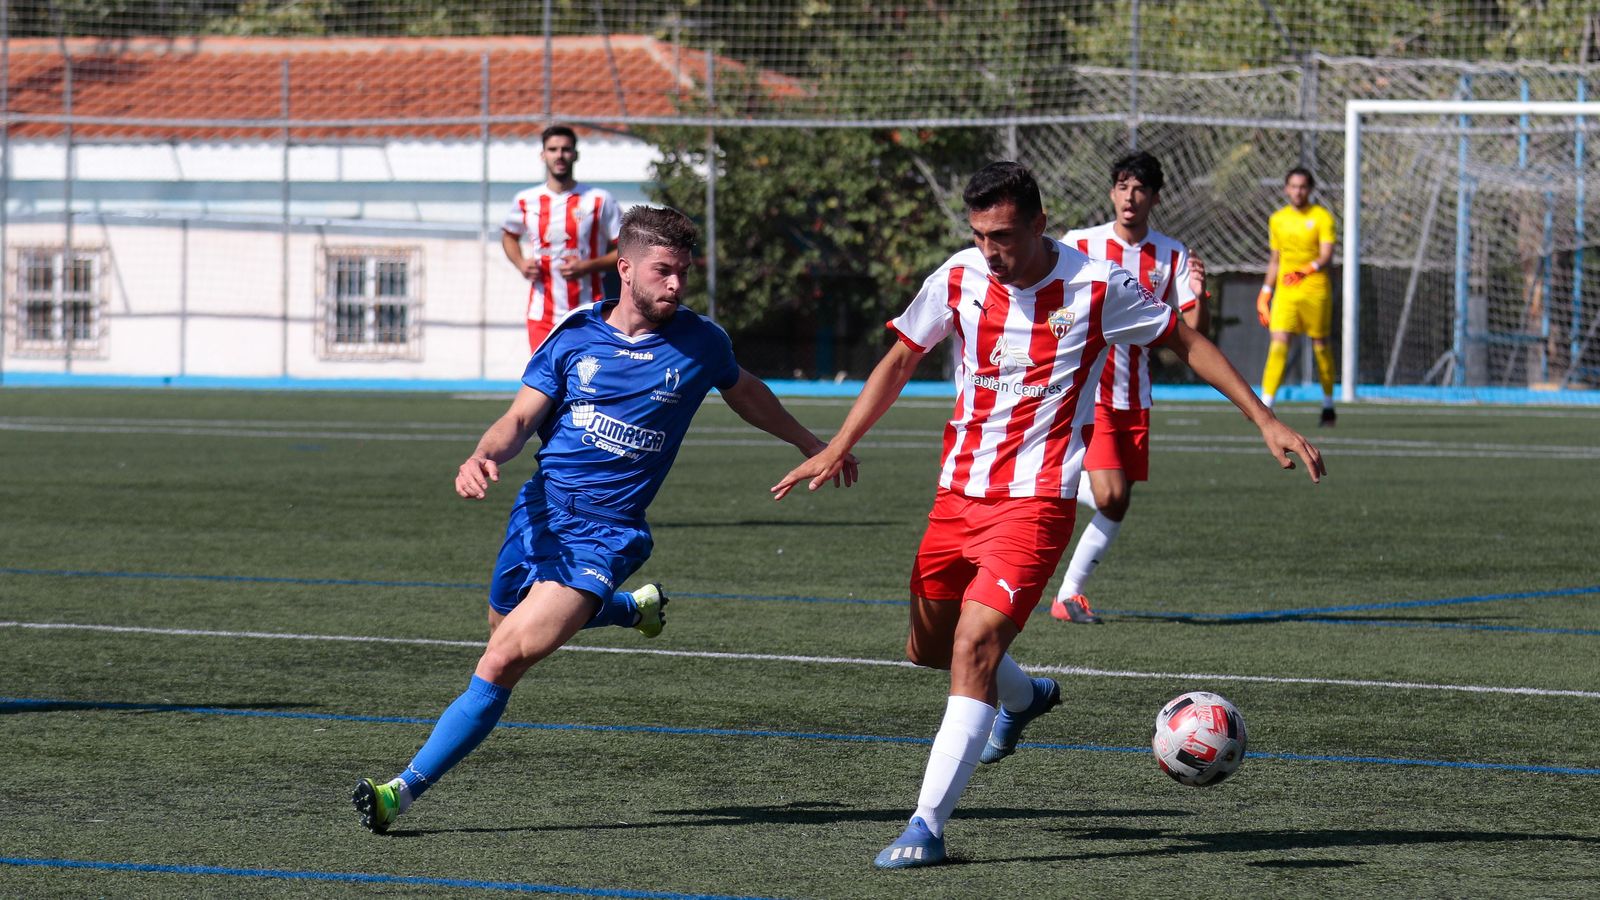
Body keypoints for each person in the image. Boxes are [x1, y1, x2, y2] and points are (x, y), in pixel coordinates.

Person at [772, 162, 1324, 869]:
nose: (990, 251)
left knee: (973, 648)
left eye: (1002, 236)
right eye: (978, 235)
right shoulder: (960, 276)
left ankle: (926, 826)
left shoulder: (1096, 285)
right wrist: (838, 444)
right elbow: (901, 359)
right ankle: (1025, 696)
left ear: (1038, 223)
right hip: (957, 495)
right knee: (929, 650)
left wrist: (1265, 421)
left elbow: (1185, 342)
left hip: (1037, 502)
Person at [353, 205, 855, 834]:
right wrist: (483, 454)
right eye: (663, 271)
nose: (676, 285)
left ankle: (401, 789)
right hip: (540, 512)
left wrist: (815, 444)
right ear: (625, 269)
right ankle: (628, 610)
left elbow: (744, 389)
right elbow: (518, 420)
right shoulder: (573, 336)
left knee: (503, 658)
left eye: (683, 273)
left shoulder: (702, 341)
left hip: (608, 530)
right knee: (501, 624)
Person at [1051, 151, 1210, 625]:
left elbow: (1189, 331)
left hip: (1134, 398)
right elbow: (1049, 295)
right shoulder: (1079, 243)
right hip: (1089, 394)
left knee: (1117, 501)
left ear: (1154, 197)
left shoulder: (1173, 254)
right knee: (1109, 493)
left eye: (1139, 188)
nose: (1130, 196)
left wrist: (1198, 291)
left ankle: (1068, 596)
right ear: (1111, 193)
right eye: (1122, 186)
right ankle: (1048, 489)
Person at [502, 124, 622, 354]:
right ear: (543, 155)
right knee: (545, 385)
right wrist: (521, 263)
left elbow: (626, 249)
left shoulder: (599, 200)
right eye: (553, 149)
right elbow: (509, 236)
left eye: (566, 149)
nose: (559, 155)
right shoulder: (526, 200)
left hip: (589, 311)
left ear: (575, 155)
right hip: (542, 314)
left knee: (587, 384)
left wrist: (588, 266)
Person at [1258, 166, 1338, 426]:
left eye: (1302, 186)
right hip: (1287, 293)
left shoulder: (1322, 217)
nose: (1298, 191)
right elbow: (1275, 261)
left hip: (1316, 291)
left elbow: (1326, 255)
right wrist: (1265, 293)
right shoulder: (1277, 219)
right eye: (1293, 186)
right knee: (1279, 342)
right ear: (1286, 189)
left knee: (1320, 347)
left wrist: (1306, 270)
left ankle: (1328, 404)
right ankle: (1266, 404)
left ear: (1310, 189)